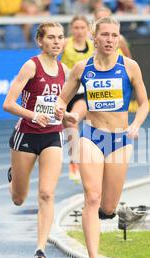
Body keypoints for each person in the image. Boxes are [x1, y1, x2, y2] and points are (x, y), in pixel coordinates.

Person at [55, 17, 149, 258]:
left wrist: (136, 124)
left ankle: (109, 214)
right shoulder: (82, 69)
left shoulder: (130, 67)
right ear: (93, 38)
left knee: (107, 206)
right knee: (92, 197)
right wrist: (66, 115)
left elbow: (143, 104)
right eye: (105, 35)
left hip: (120, 139)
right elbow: (61, 101)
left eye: (114, 35)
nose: (110, 40)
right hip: (91, 136)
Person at [2, 22, 67, 258]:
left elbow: (65, 105)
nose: (56, 42)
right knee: (19, 198)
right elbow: (8, 104)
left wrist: (67, 115)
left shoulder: (65, 70)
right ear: (40, 41)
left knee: (47, 193)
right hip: (26, 135)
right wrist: (31, 115)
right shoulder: (31, 66)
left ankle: (40, 249)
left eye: (60, 37)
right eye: (51, 37)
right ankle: (14, 177)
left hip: (52, 136)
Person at [61, 16, 94, 183]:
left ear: (88, 29)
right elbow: (47, 56)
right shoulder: (65, 43)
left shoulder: (94, 45)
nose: (79, 31)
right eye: (76, 28)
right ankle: (75, 157)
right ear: (71, 29)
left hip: (84, 93)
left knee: (73, 120)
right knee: (67, 125)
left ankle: (76, 161)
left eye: (82, 28)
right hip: (66, 93)